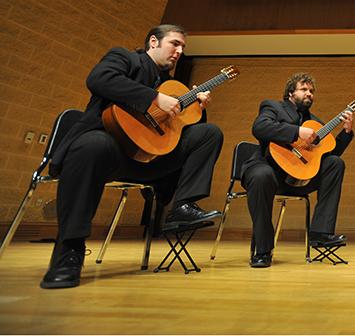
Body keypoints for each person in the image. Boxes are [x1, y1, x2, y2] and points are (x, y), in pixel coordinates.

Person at [41, 24, 224, 289]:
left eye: (183, 48)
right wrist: (153, 97)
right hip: (110, 150)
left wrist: (197, 107)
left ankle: (182, 206)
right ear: (153, 42)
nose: (179, 51)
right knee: (92, 146)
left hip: (150, 160)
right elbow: (99, 79)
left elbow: (179, 127)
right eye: (175, 44)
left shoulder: (173, 85)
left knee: (209, 133)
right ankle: (68, 253)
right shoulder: (124, 58)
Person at [241, 72, 354, 268]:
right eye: (304, 89)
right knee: (261, 175)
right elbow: (260, 128)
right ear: (291, 93)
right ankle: (263, 249)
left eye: (312, 91)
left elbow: (329, 152)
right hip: (268, 169)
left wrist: (346, 132)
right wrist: (297, 132)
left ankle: (321, 232)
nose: (309, 93)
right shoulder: (273, 107)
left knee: (335, 163)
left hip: (297, 179)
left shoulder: (316, 123)